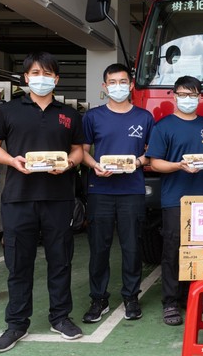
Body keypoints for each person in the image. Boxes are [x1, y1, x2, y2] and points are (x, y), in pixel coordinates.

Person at [0, 52, 85, 353]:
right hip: (18, 198)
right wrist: (12, 162)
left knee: (60, 260)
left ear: (56, 79)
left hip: (58, 198)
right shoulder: (8, 110)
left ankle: (60, 317)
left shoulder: (68, 114)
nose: (42, 78)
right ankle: (16, 323)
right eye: (35, 73)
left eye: (48, 73)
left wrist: (68, 163)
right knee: (18, 263)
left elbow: (78, 150)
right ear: (26, 78)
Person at [80, 63, 154, 324]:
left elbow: (151, 154)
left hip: (131, 190)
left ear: (131, 85)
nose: (118, 86)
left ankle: (131, 296)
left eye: (123, 81)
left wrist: (137, 162)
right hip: (100, 189)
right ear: (105, 86)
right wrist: (94, 166)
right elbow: (83, 152)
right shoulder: (92, 117)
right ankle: (98, 299)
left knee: (132, 247)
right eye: (113, 82)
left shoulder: (144, 117)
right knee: (99, 247)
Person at [145, 75, 203, 325]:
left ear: (200, 97)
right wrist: (179, 165)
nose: (188, 99)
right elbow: (155, 162)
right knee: (173, 251)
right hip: (174, 199)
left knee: (198, 252)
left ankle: (193, 296)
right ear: (174, 96)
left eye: (193, 95)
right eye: (183, 94)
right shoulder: (163, 126)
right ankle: (170, 301)